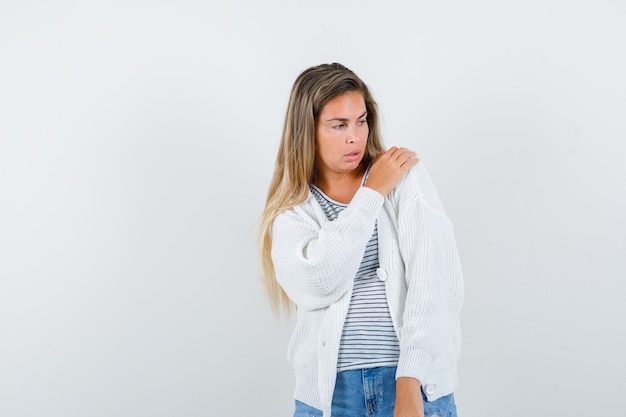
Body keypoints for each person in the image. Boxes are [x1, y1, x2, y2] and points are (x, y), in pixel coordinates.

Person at [259, 63, 464, 417]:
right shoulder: (292, 211)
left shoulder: (403, 176)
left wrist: (409, 381)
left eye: (361, 120)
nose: (355, 136)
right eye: (339, 125)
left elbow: (436, 282)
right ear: (308, 132)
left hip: (412, 386)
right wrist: (371, 193)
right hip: (329, 398)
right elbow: (319, 282)